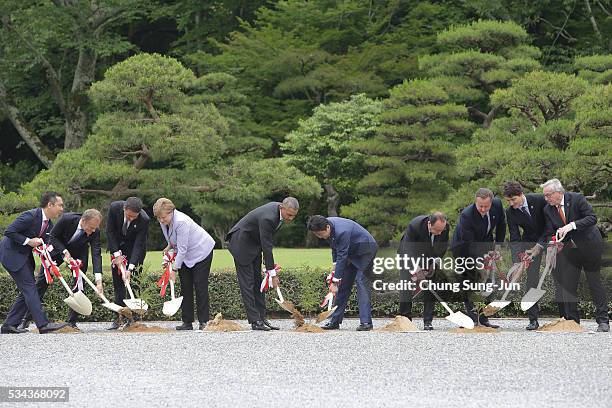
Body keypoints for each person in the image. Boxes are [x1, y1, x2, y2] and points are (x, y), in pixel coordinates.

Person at [540, 178, 609, 332]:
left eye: (548, 195)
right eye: (545, 196)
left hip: (590, 246)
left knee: (594, 283)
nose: (546, 199)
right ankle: (573, 322)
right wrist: (551, 246)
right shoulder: (548, 209)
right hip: (570, 250)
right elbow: (551, 231)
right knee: (568, 285)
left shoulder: (577, 199)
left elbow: (592, 218)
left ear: (559, 192)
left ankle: (603, 321)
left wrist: (571, 226)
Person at [20, 209, 104, 330]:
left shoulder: (94, 230)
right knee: (42, 283)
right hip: (57, 250)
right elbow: (53, 236)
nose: (93, 231)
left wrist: (98, 281)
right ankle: (26, 318)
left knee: (79, 285)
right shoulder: (66, 219)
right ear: (84, 221)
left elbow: (96, 253)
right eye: (91, 228)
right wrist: (64, 252)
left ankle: (71, 322)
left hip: (79, 255)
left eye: (95, 228)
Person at [226, 197, 299, 331]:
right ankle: (255, 321)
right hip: (241, 243)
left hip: (254, 245)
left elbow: (266, 241)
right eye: (289, 215)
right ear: (282, 208)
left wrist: (268, 266)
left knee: (258, 281)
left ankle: (262, 318)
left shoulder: (280, 213)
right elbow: (267, 245)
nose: (291, 218)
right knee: (247, 283)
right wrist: (272, 273)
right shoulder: (268, 217)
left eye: (294, 216)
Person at [1, 192, 68, 334]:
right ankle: (42, 325)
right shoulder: (30, 216)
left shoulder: (49, 224)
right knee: (30, 288)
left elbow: (48, 246)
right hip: (11, 254)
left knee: (27, 289)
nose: (62, 208)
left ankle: (9, 325)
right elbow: (9, 231)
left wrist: (59, 259)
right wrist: (29, 241)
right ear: (50, 205)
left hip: (23, 256)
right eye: (60, 205)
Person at [307, 215, 378, 331]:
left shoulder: (342, 231)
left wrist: (335, 282)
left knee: (361, 283)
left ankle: (366, 323)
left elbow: (342, 255)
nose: (320, 237)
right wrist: (334, 269)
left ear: (327, 228)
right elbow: (335, 249)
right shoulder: (326, 226)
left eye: (320, 234)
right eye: (317, 235)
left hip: (366, 250)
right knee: (343, 285)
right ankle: (335, 321)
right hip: (351, 252)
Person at [153, 198, 215, 331]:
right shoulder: (164, 221)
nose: (161, 221)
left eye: (163, 217)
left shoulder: (181, 222)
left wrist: (174, 269)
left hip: (201, 251)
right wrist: (169, 246)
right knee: (185, 286)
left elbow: (182, 249)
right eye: (159, 218)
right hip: (185, 254)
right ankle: (187, 322)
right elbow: (172, 238)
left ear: (171, 212)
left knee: (200, 285)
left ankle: (204, 321)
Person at [451, 188, 506, 328]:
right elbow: (469, 244)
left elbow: (501, 225)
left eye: (486, 206)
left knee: (486, 281)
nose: (482, 209)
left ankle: (483, 318)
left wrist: (498, 246)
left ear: (491, 203)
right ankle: (473, 318)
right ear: (475, 202)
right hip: (463, 248)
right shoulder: (467, 215)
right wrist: (479, 264)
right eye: (480, 206)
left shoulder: (498, 205)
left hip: (484, 242)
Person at [502, 181, 548, 330]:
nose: (511, 203)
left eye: (513, 199)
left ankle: (566, 318)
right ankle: (533, 319)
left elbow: (550, 224)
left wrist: (540, 245)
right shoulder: (510, 212)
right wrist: (518, 261)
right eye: (508, 201)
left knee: (560, 273)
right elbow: (515, 238)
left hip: (550, 238)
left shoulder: (540, 200)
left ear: (521, 195)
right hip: (529, 243)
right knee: (532, 279)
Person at [397, 212, 449, 330]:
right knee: (406, 286)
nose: (440, 233)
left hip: (429, 257)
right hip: (408, 255)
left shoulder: (444, 227)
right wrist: (417, 269)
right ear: (429, 224)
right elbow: (408, 250)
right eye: (437, 230)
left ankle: (428, 321)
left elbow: (442, 247)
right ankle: (405, 319)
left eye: (442, 230)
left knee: (431, 286)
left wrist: (434, 263)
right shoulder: (415, 225)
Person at [106, 197, 149, 330]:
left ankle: (134, 318)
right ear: (124, 209)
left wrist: (130, 268)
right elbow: (110, 232)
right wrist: (116, 254)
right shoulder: (114, 208)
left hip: (135, 250)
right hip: (117, 247)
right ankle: (118, 317)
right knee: (118, 284)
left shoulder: (144, 219)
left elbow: (139, 244)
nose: (131, 219)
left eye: (134, 217)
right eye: (129, 216)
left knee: (134, 282)